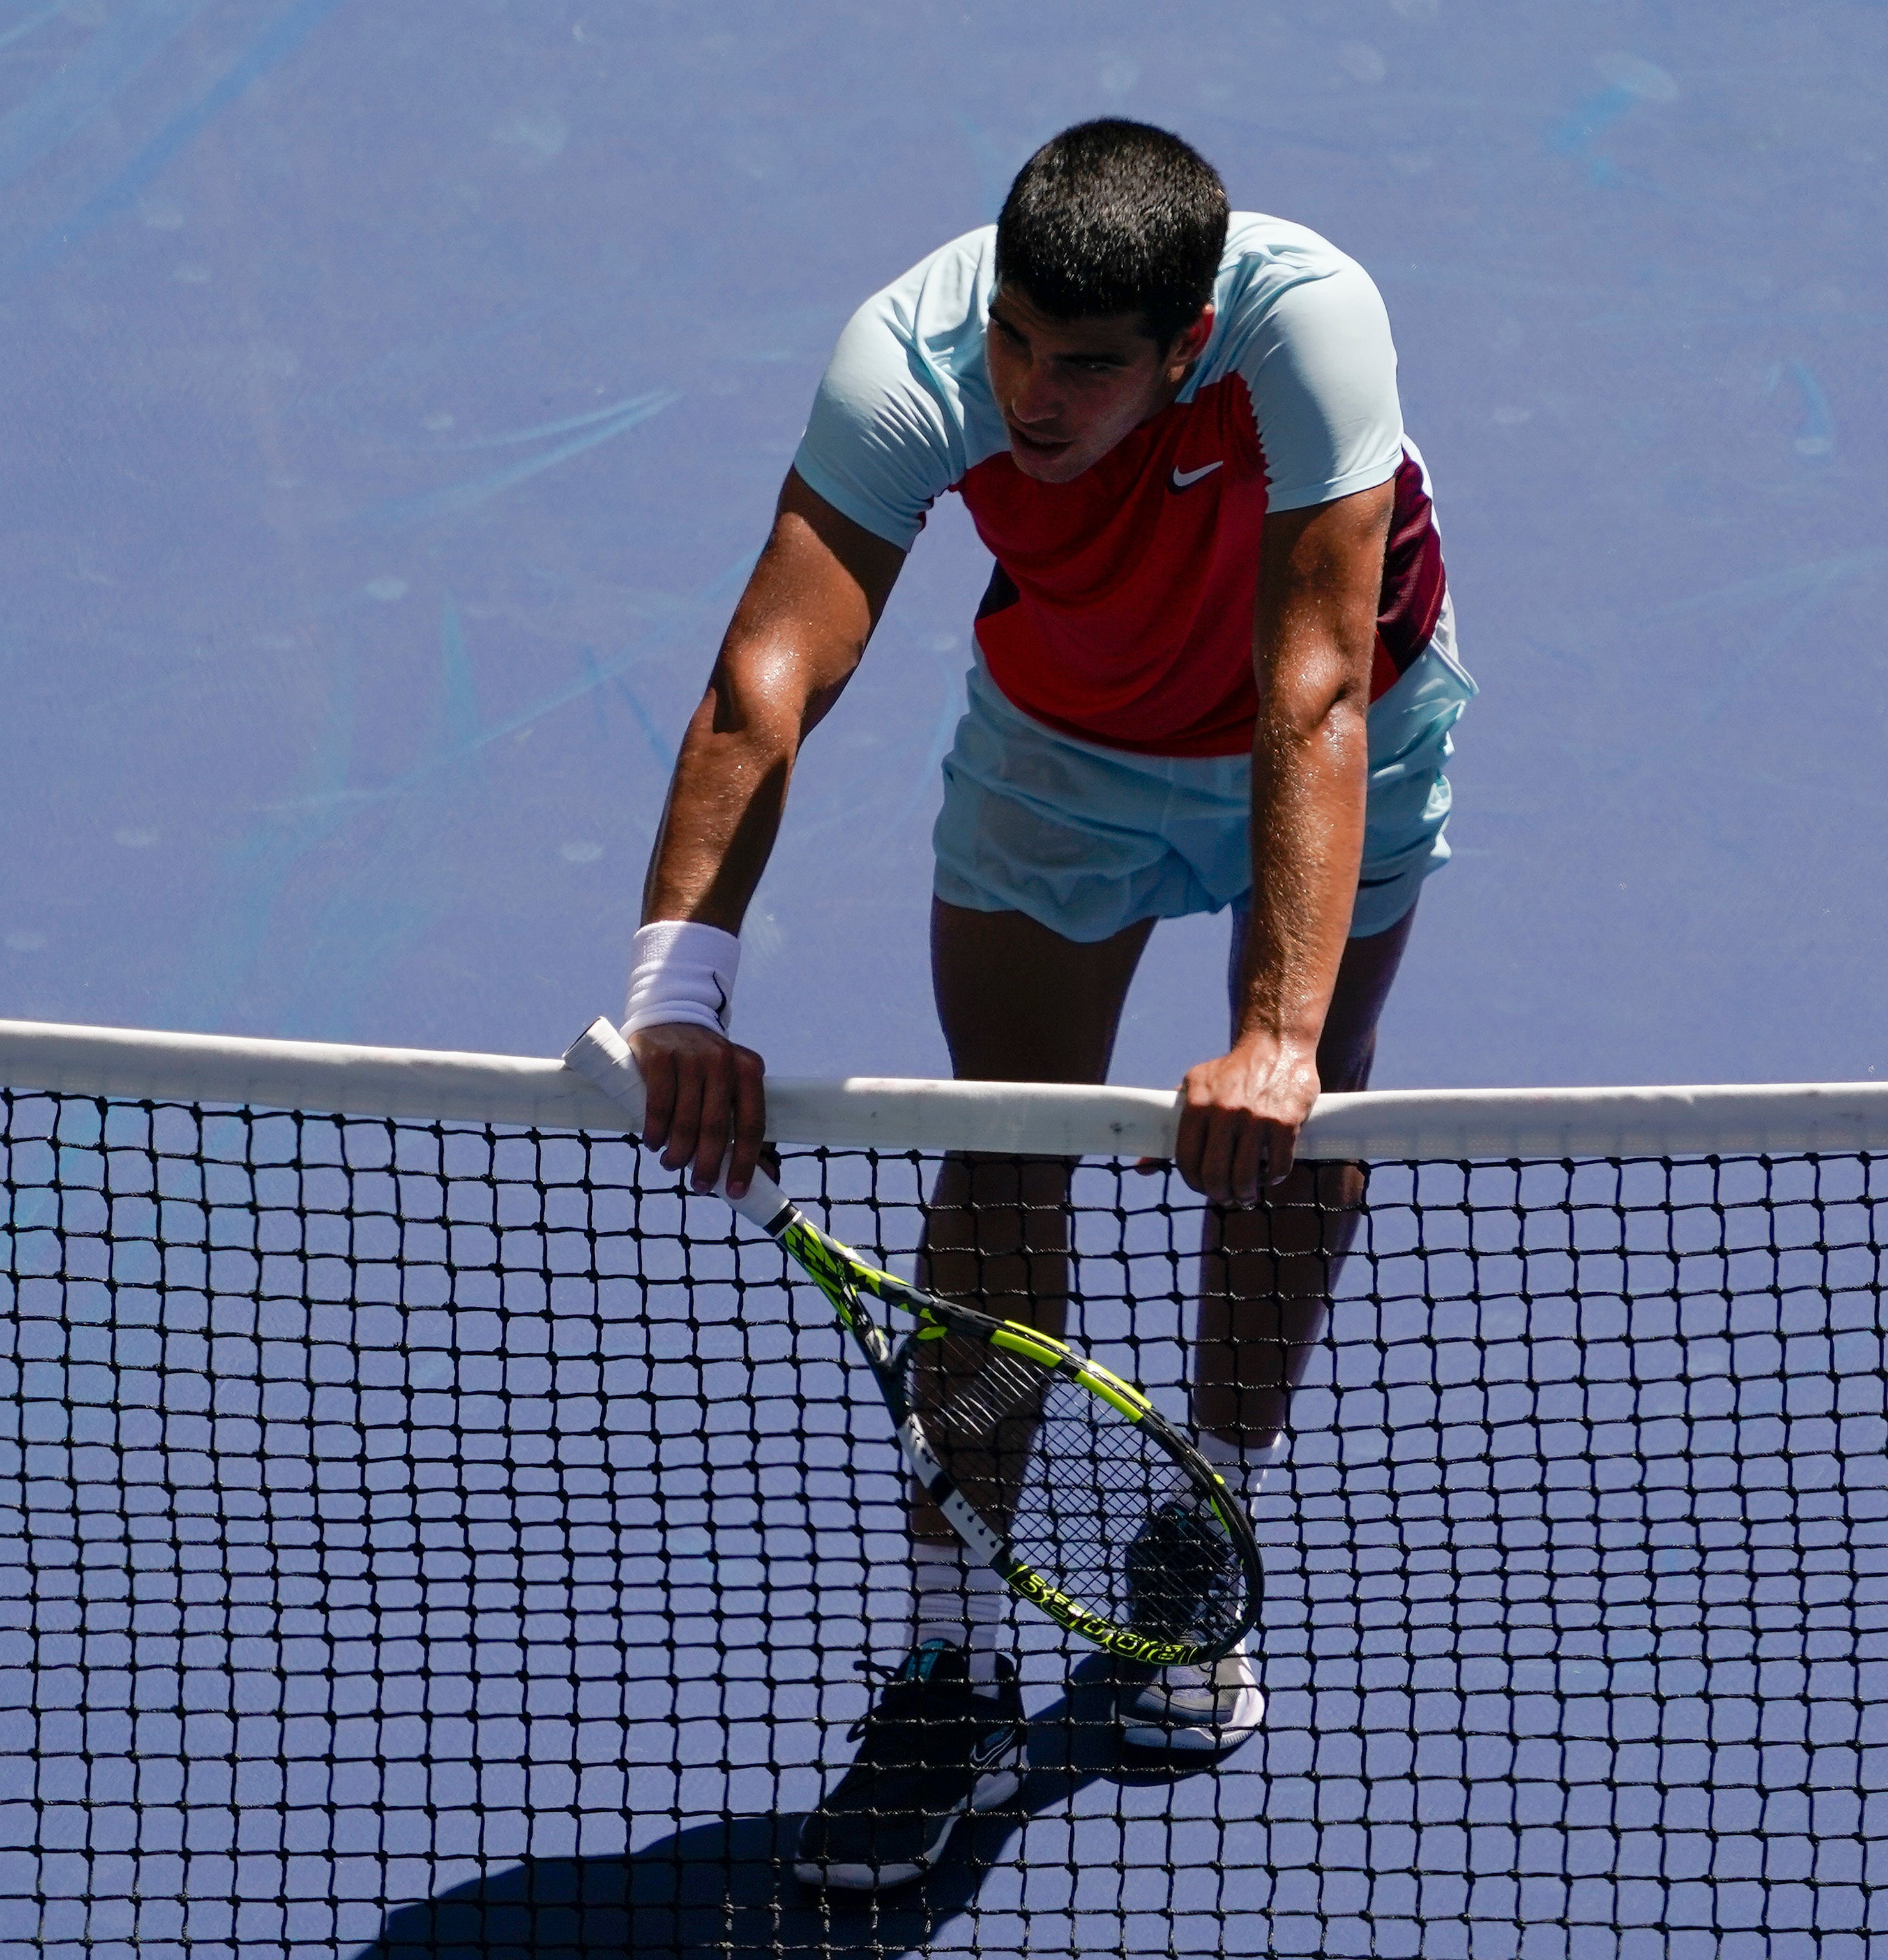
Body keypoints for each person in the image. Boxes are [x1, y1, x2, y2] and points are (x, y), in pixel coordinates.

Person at [615, 118, 1474, 1890]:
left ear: (1188, 344)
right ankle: (954, 1656)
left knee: (1302, 1122)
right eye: (1014, 340)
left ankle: (1198, 1528)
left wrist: (1277, 1036)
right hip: (1059, 754)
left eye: (1085, 367)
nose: (1029, 391)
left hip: (1340, 734)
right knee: (999, 1145)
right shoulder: (911, 355)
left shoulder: (1307, 328)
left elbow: (1306, 681)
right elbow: (766, 668)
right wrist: (677, 989)